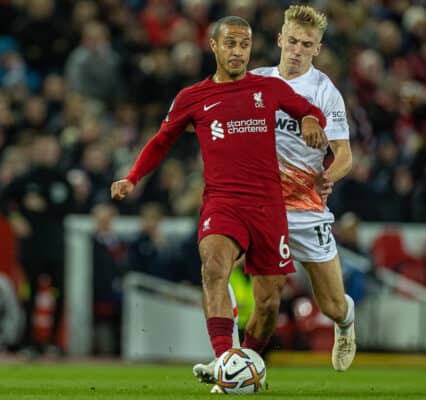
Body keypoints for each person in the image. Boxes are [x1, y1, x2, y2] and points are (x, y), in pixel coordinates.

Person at [110, 15, 327, 391]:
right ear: (213, 46)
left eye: (244, 45)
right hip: (223, 203)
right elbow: (162, 140)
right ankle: (226, 359)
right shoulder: (192, 97)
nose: (238, 52)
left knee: (270, 302)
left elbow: (310, 111)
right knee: (213, 266)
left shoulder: (269, 88)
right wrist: (132, 177)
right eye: (231, 44)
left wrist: (311, 119)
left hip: (267, 207)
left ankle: (246, 366)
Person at [251, 5, 356, 371]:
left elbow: (344, 155)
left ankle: (345, 323)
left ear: (317, 49)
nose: (296, 49)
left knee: (332, 305)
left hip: (305, 209)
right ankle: (232, 357)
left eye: (305, 44)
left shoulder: (325, 92)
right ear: (280, 39)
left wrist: (329, 175)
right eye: (292, 41)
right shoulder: (254, 81)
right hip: (260, 207)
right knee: (223, 267)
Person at [0, 135, 73, 357]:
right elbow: (0, 201)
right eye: (41, 148)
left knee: (58, 293)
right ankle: (28, 341)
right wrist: (15, 218)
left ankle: (53, 342)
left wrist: (44, 206)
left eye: (49, 149)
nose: (45, 153)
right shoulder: (25, 180)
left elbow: (70, 208)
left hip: (55, 249)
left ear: (56, 152)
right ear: (34, 151)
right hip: (30, 250)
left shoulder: (63, 180)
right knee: (28, 295)